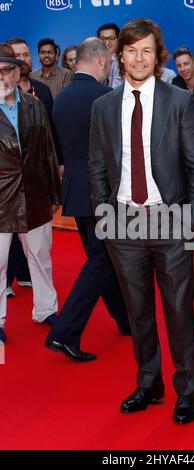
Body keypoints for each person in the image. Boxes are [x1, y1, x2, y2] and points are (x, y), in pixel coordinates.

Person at [89, 19, 194, 424]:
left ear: (158, 56)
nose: (138, 59)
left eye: (146, 51)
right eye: (130, 50)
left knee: (178, 311)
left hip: (170, 220)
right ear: (118, 55)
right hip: (122, 225)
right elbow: (96, 167)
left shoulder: (180, 102)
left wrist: (191, 220)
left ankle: (187, 388)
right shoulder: (102, 107)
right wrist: (105, 215)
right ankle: (149, 383)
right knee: (137, 311)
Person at [45, 38, 130, 362]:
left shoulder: (62, 98)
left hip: (77, 193)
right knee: (102, 260)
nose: (108, 70)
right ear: (98, 61)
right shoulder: (105, 98)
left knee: (102, 257)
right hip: (101, 192)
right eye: (108, 64)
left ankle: (125, 321)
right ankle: (64, 333)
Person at [0, 43, 61, 343]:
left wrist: (53, 194)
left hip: (35, 195)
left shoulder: (34, 104)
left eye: (7, 70)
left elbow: (48, 152)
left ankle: (46, 309)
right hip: (0, 200)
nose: (2, 77)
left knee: (40, 255)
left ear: (16, 71)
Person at [97, 23, 122, 88]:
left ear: (119, 39)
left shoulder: (122, 61)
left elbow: (116, 91)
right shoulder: (95, 60)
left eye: (111, 38)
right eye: (103, 39)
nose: (107, 43)